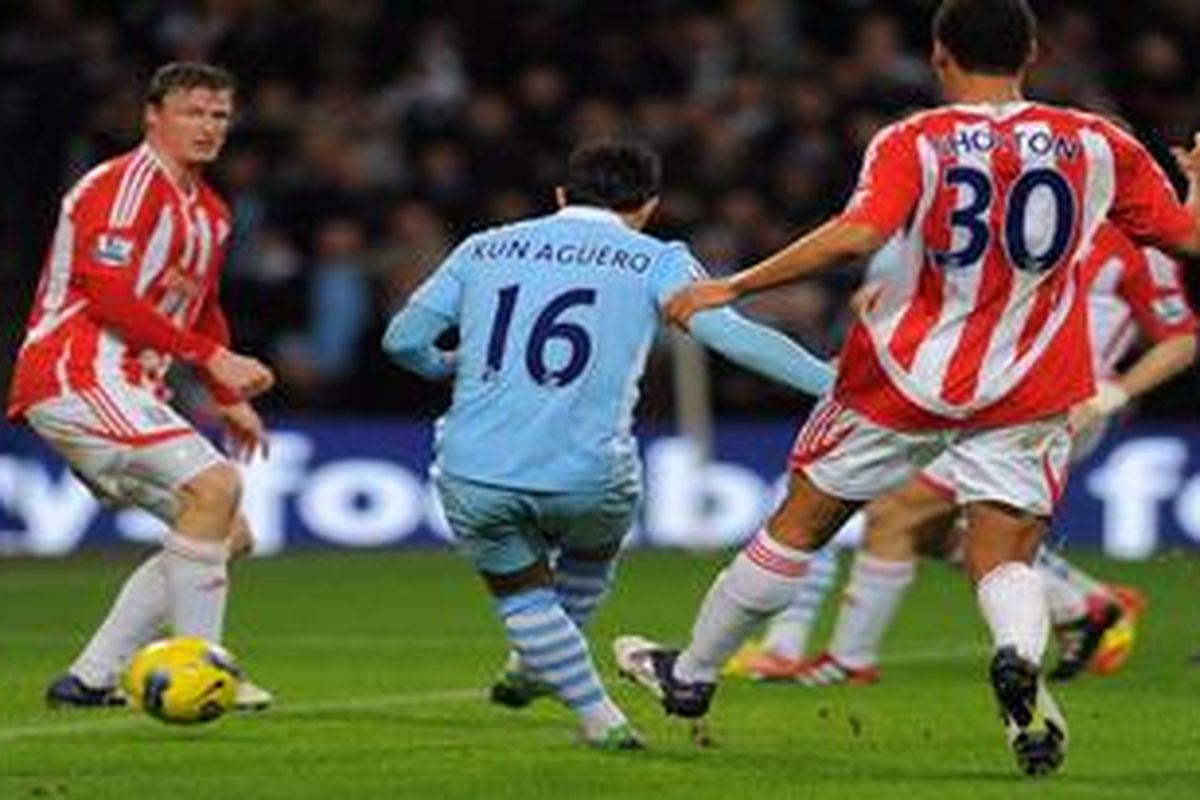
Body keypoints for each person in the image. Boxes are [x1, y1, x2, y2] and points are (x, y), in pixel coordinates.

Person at [614, 0, 1200, 776]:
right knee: (1003, 552)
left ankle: (689, 677)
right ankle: (1018, 656)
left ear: (937, 54)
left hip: (901, 374)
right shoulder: (1097, 141)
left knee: (803, 521)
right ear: (1032, 50)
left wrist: (735, 285)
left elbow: (856, 236)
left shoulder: (912, 140)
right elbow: (1186, 239)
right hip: (1031, 380)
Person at [382, 141, 833, 749]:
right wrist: (834, 385)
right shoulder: (657, 257)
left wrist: (445, 366)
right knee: (588, 566)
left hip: (476, 467)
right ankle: (545, 673)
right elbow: (732, 336)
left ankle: (592, 711)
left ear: (561, 196)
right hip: (590, 475)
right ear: (648, 205)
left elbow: (402, 340)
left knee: (520, 591)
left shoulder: (483, 245)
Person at [734, 224, 1194, 685]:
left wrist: (1111, 397)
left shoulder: (1135, 241)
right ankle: (1084, 606)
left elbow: (1183, 338)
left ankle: (848, 661)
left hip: (1058, 406)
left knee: (897, 508)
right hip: (985, 390)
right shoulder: (1029, 217)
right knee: (928, 529)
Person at [7, 63, 277, 710]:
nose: (208, 127)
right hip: (76, 371)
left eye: (218, 115)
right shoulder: (126, 186)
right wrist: (213, 356)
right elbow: (108, 295)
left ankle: (90, 680)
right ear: (152, 115)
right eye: (192, 111)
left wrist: (226, 395)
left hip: (130, 386)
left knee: (226, 531)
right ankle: (206, 670)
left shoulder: (210, 211)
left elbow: (200, 303)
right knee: (214, 486)